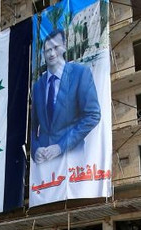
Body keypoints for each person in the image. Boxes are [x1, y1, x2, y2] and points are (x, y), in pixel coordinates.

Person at [30, 28, 100, 163]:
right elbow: (32, 128)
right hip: (44, 166)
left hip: (72, 159)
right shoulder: (38, 86)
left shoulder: (80, 74)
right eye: (47, 50)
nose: (52, 53)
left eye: (56, 48)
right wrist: (35, 149)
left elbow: (93, 115)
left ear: (64, 47)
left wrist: (61, 146)